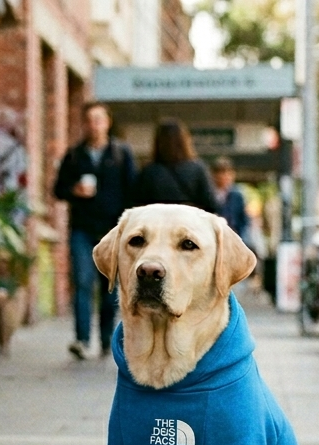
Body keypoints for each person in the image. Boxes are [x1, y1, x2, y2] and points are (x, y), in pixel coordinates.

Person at [52, 101, 136, 360]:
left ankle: (105, 339)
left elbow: (134, 192)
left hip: (112, 232)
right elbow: (57, 189)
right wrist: (73, 191)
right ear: (84, 124)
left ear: (107, 122)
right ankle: (81, 338)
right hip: (82, 230)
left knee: (109, 287)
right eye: (89, 120)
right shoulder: (74, 155)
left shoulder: (122, 154)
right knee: (82, 282)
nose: (94, 125)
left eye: (98, 119)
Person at [131, 120, 219, 213]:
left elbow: (138, 205)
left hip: (159, 223)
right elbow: (212, 204)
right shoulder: (198, 169)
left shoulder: (149, 171)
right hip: (188, 223)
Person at [211, 156, 249, 240]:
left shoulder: (237, 195)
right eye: (221, 173)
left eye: (228, 173)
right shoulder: (209, 195)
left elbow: (243, 220)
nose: (225, 177)